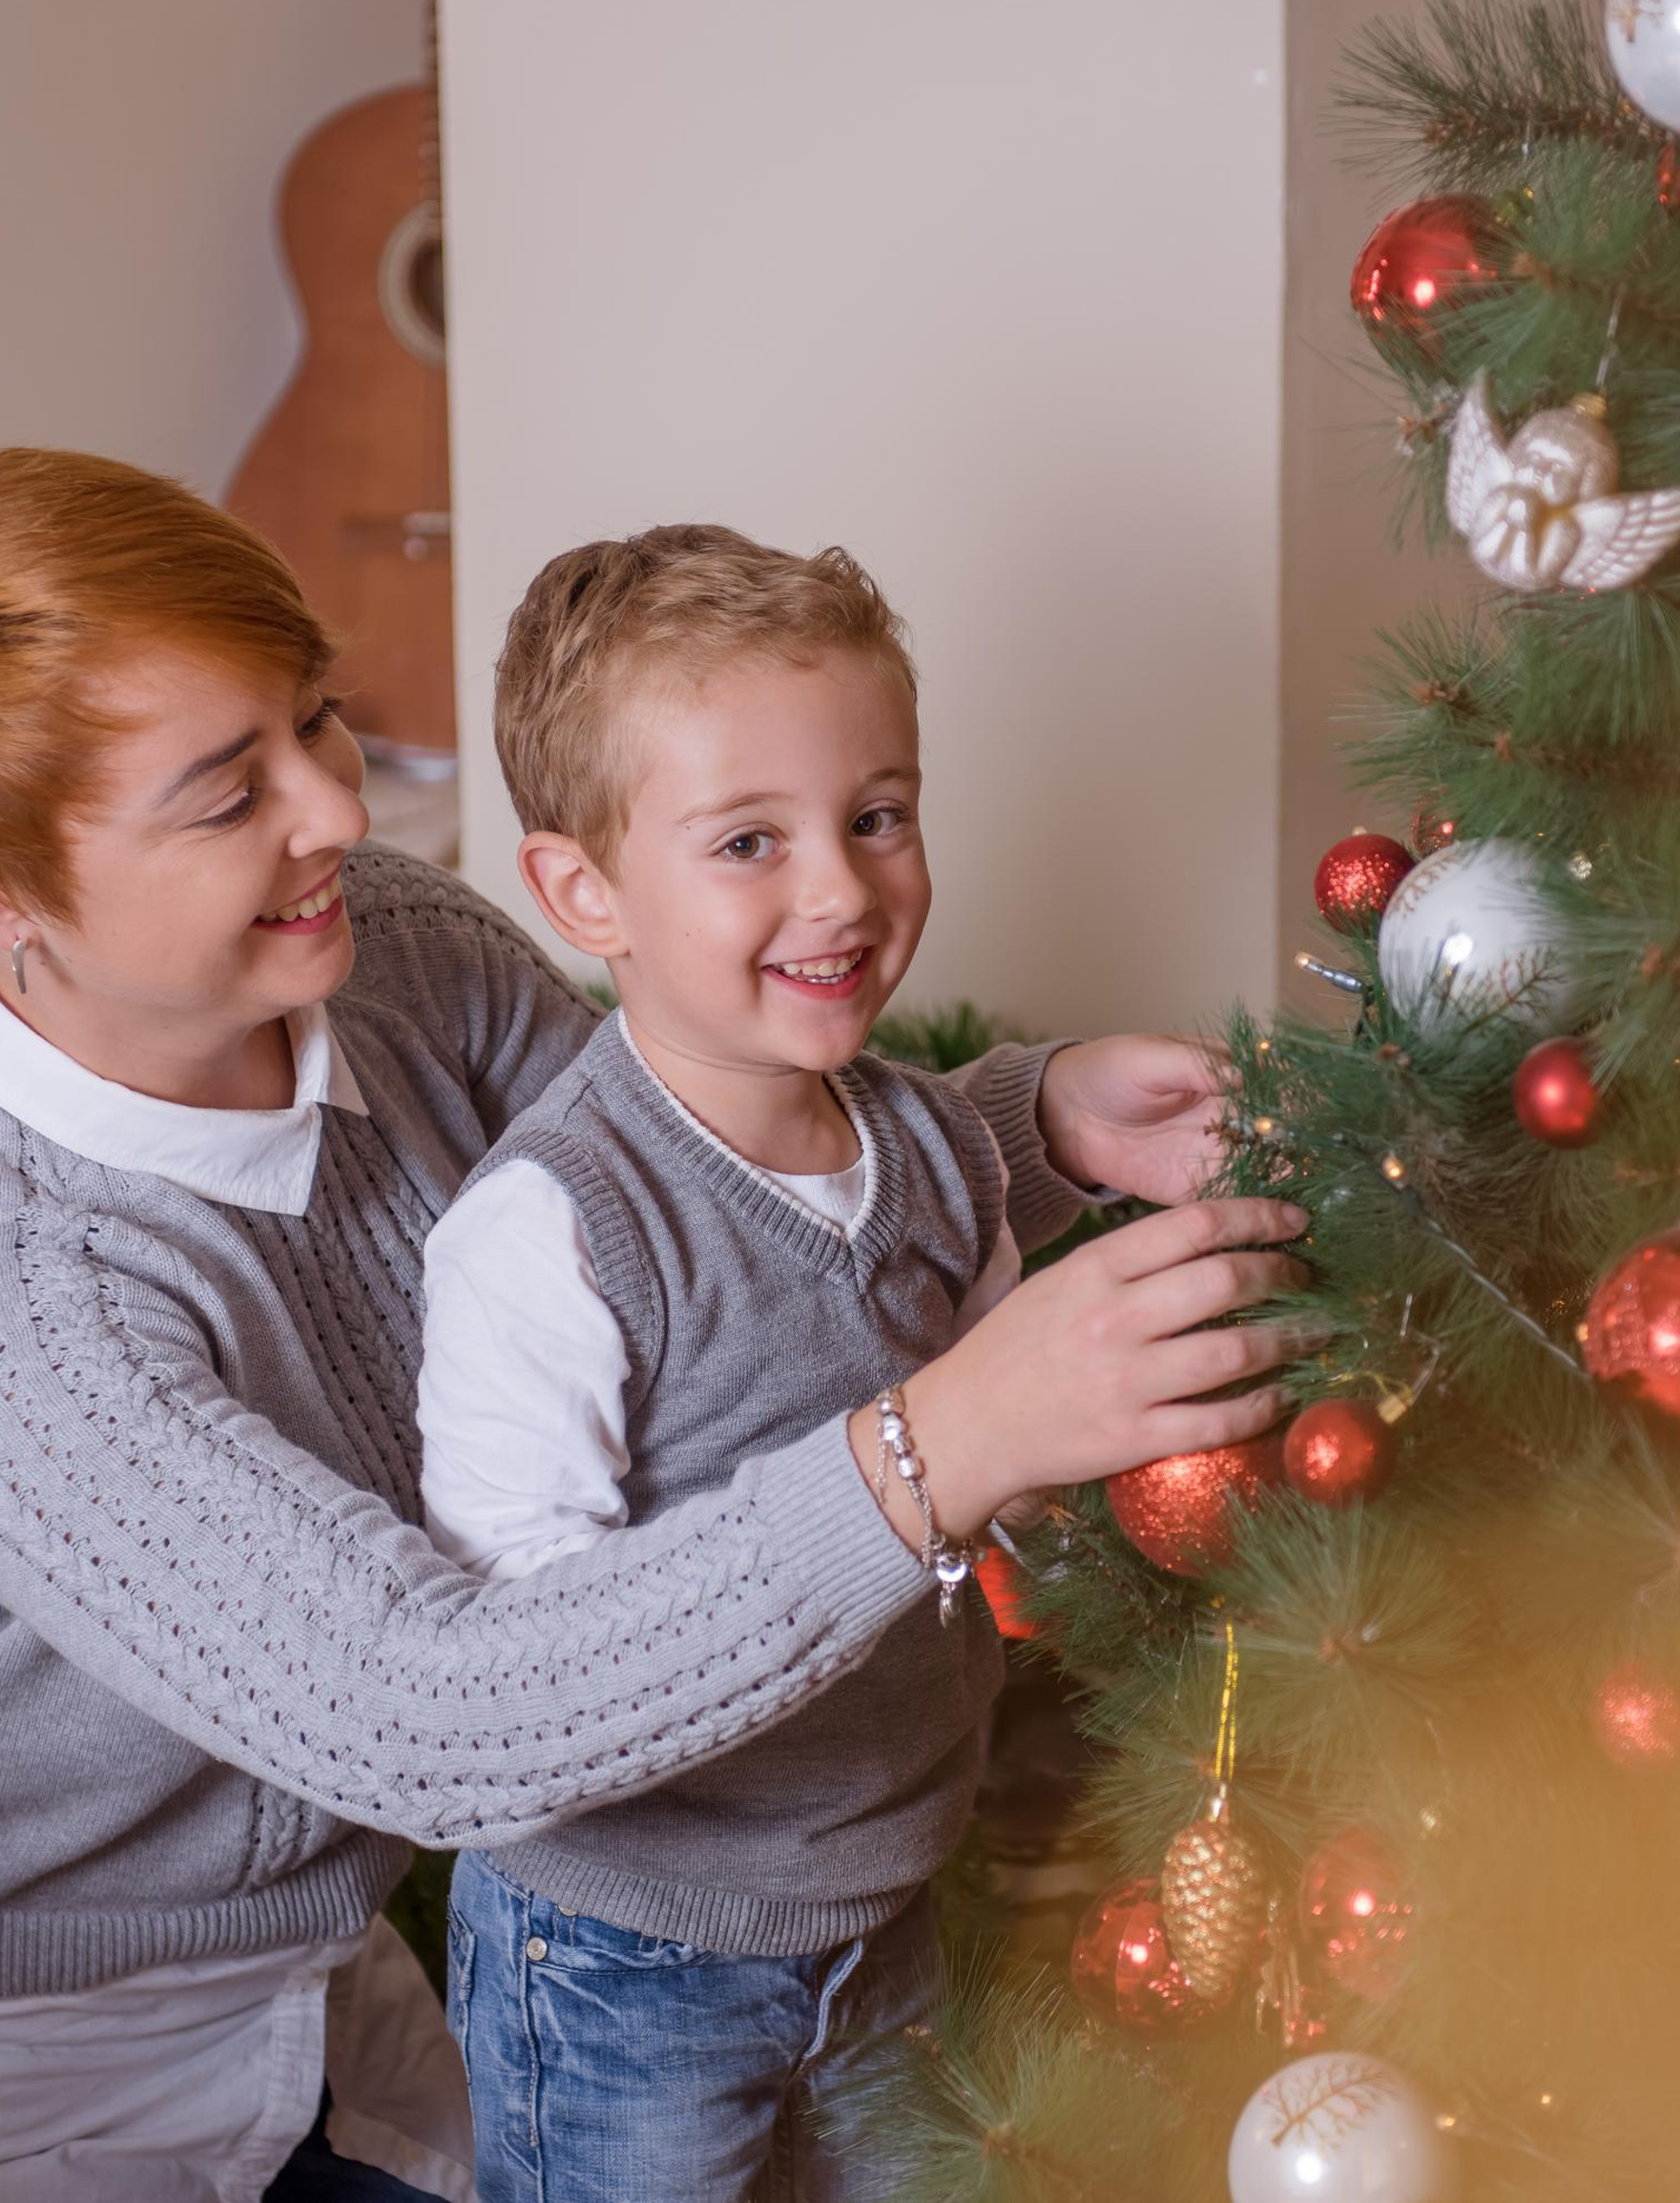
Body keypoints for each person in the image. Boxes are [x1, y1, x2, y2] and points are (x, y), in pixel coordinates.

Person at [0, 450, 1304, 2201]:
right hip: (77, 2053)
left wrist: (1029, 1120)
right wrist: (944, 1447)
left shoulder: (389, 949)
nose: (336, 811)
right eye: (231, 794)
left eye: (317, 720)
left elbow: (698, 1206)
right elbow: (435, 1716)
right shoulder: (36, 1298)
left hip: (351, 1972)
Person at [420, 523, 1298, 2201]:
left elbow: (963, 1375)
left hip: (888, 1895)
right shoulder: (551, 1235)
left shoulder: (925, 1138)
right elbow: (531, 1674)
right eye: (749, 840)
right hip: (623, 1964)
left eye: (878, 815)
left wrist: (1057, 1128)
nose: (839, 889)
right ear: (584, 893)